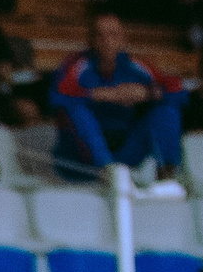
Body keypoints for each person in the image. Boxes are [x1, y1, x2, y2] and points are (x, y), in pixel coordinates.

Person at [53, 9, 182, 181]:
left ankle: (167, 175)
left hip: (126, 150)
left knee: (167, 110)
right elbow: (56, 97)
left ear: (122, 39)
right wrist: (97, 94)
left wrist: (147, 93)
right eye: (100, 36)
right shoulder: (77, 65)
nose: (107, 42)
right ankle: (107, 172)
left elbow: (178, 92)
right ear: (91, 40)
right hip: (83, 158)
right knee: (76, 108)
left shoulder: (137, 67)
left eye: (113, 35)